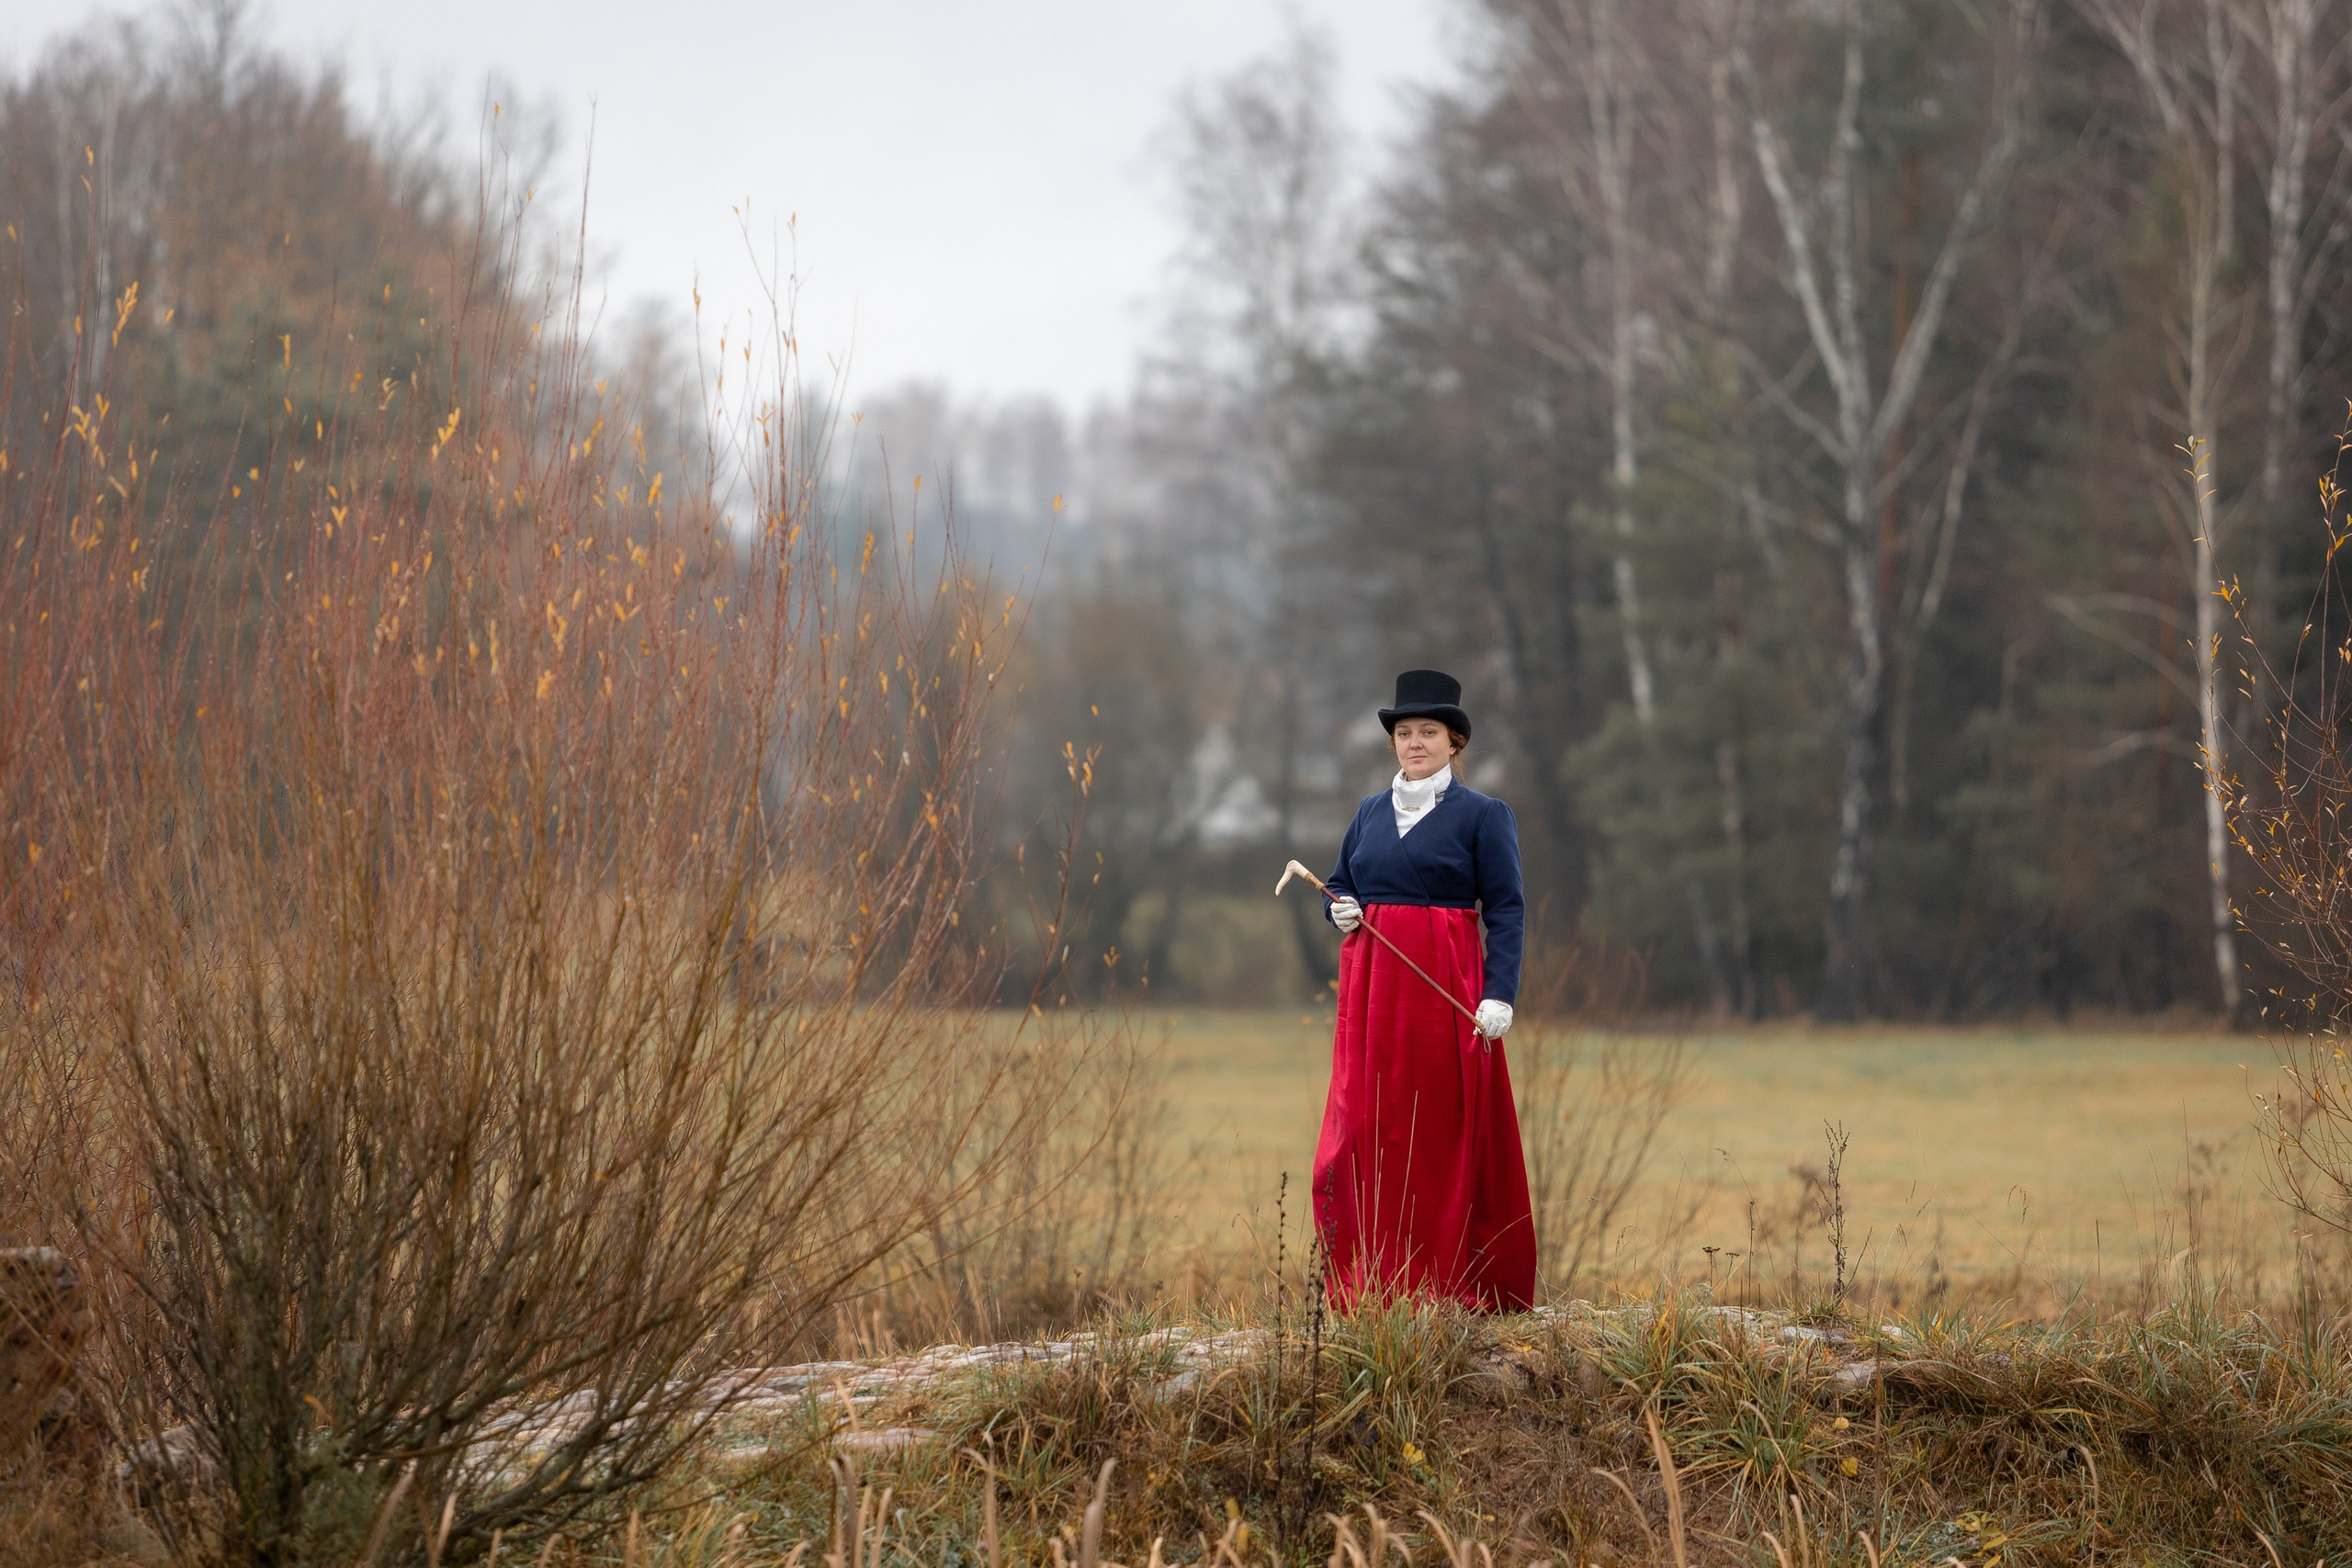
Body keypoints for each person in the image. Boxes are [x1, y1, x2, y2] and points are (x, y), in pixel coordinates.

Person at [1312, 669, 1537, 1311]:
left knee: (1437, 1132)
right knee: (1366, 1132)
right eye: (1405, 732)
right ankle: (1374, 1284)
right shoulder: (1368, 813)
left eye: (1428, 732)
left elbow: (1507, 910)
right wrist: (1340, 910)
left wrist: (1500, 992)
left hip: (1444, 998)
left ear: (1454, 741)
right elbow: (1338, 883)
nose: (1415, 742)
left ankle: (1443, 1283)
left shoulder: (1484, 815)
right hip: (1371, 999)